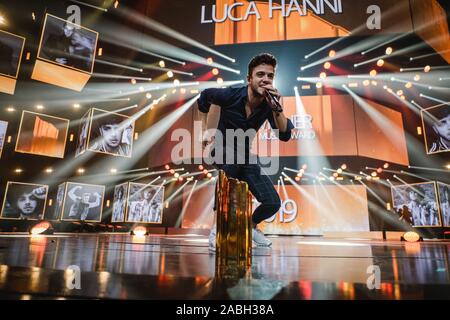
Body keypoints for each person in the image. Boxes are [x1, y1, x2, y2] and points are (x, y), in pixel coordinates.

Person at [197, 53, 294, 251]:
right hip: (220, 148)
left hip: (243, 154)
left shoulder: (269, 105)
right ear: (249, 78)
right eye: (260, 74)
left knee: (272, 202)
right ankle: (218, 228)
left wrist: (277, 107)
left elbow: (284, 134)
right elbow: (205, 98)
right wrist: (206, 133)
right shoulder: (230, 94)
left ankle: (249, 226)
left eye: (270, 76)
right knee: (234, 161)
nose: (265, 79)